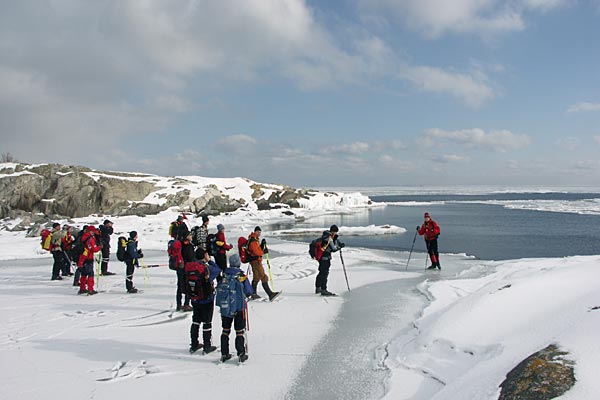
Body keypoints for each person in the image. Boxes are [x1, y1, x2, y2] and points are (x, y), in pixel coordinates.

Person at [218, 254, 253, 363]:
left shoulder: (224, 275)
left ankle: (224, 354)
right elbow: (249, 291)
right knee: (239, 331)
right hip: (239, 307)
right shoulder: (241, 276)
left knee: (225, 330)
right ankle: (241, 353)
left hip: (226, 308)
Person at [187, 248, 222, 354]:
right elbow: (218, 269)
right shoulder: (206, 268)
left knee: (196, 321)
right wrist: (210, 260)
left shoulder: (190, 267)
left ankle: (194, 344)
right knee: (207, 322)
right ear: (204, 255)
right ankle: (207, 346)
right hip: (206, 298)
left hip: (194, 298)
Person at [246, 226, 280, 301]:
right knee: (263, 277)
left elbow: (257, 250)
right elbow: (256, 252)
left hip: (255, 261)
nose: (259, 233)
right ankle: (270, 294)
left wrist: (262, 244)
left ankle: (253, 294)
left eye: (260, 232)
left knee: (256, 277)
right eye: (258, 232)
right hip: (256, 262)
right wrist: (263, 252)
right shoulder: (253, 241)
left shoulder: (255, 240)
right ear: (255, 232)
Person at [314, 224, 345, 296]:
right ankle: (324, 290)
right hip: (325, 258)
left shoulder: (325, 236)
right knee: (325, 273)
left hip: (321, 257)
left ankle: (318, 288)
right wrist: (340, 247)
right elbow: (333, 248)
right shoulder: (329, 238)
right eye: (335, 232)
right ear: (333, 231)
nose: (336, 233)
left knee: (321, 272)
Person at [77, 226, 102, 295]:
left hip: (82, 257)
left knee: (84, 273)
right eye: (93, 231)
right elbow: (94, 249)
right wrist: (99, 247)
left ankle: (82, 288)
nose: (94, 232)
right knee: (90, 273)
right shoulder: (90, 239)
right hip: (88, 257)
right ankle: (90, 289)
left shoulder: (82, 236)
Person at [178, 232, 195, 312]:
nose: (191, 236)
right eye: (190, 235)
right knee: (188, 285)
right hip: (187, 268)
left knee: (179, 286)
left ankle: (178, 304)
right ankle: (186, 304)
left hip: (179, 267)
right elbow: (191, 257)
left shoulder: (180, 244)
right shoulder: (188, 246)